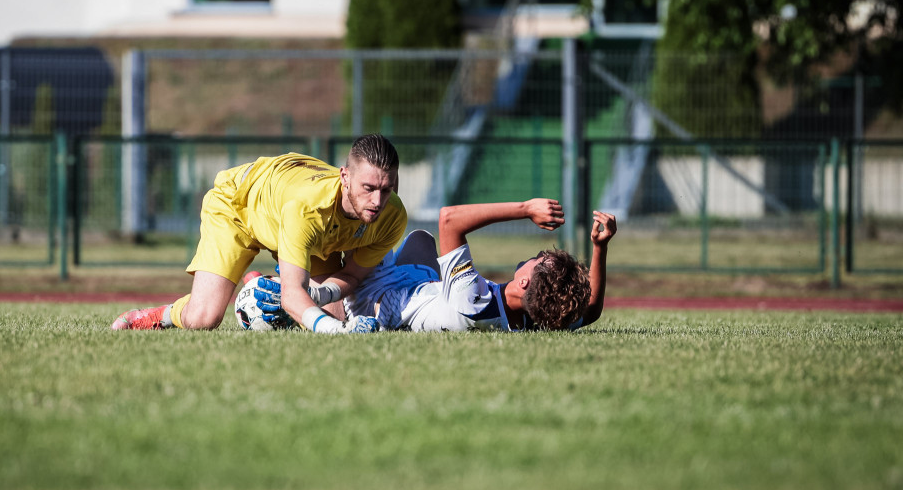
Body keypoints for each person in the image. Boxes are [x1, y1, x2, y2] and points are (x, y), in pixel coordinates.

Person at [112, 134, 408, 333]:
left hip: (290, 215)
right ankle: (157, 315)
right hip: (239, 206)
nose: (377, 201)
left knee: (334, 314)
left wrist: (319, 294)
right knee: (203, 318)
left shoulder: (393, 215)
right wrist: (329, 326)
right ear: (345, 177)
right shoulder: (305, 209)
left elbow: (354, 277)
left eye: (386, 189)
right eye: (368, 188)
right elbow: (294, 298)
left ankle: (273, 282)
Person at [248, 200, 616, 332]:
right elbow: (592, 310)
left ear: (523, 285)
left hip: (376, 294)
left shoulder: (473, 304)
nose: (535, 256)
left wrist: (524, 209)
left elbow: (451, 219)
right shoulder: (541, 318)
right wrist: (599, 248)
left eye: (539, 261)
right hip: (422, 283)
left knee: (343, 230)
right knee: (421, 239)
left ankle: (269, 284)